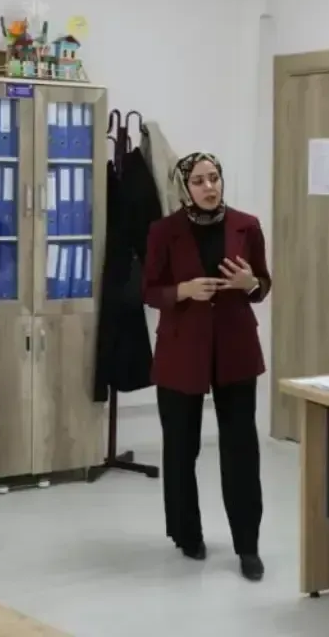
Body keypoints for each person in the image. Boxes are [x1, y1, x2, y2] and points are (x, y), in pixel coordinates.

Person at [142, 152, 271, 582]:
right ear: (185, 187)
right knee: (181, 447)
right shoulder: (164, 231)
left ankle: (248, 546)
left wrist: (250, 284)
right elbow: (149, 290)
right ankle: (187, 534)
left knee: (241, 450)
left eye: (214, 177)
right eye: (198, 180)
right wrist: (183, 290)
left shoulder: (247, 225)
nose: (209, 187)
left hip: (235, 348)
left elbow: (263, 283)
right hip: (182, 350)